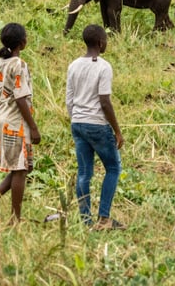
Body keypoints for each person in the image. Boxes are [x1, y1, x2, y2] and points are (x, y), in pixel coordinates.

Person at [66, 24, 125, 230]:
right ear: (100, 43)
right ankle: (104, 219)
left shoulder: (73, 65)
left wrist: (76, 119)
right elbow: (105, 101)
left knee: (84, 173)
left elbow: (69, 99)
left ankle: (86, 220)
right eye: (106, 40)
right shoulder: (103, 67)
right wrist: (117, 130)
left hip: (78, 123)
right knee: (113, 168)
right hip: (97, 124)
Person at [0, 22, 40, 223]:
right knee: (20, 169)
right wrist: (33, 127)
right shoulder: (19, 65)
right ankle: (15, 217)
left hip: (1, 117)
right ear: (22, 43)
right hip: (15, 121)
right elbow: (21, 97)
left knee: (21, 167)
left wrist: (2, 110)